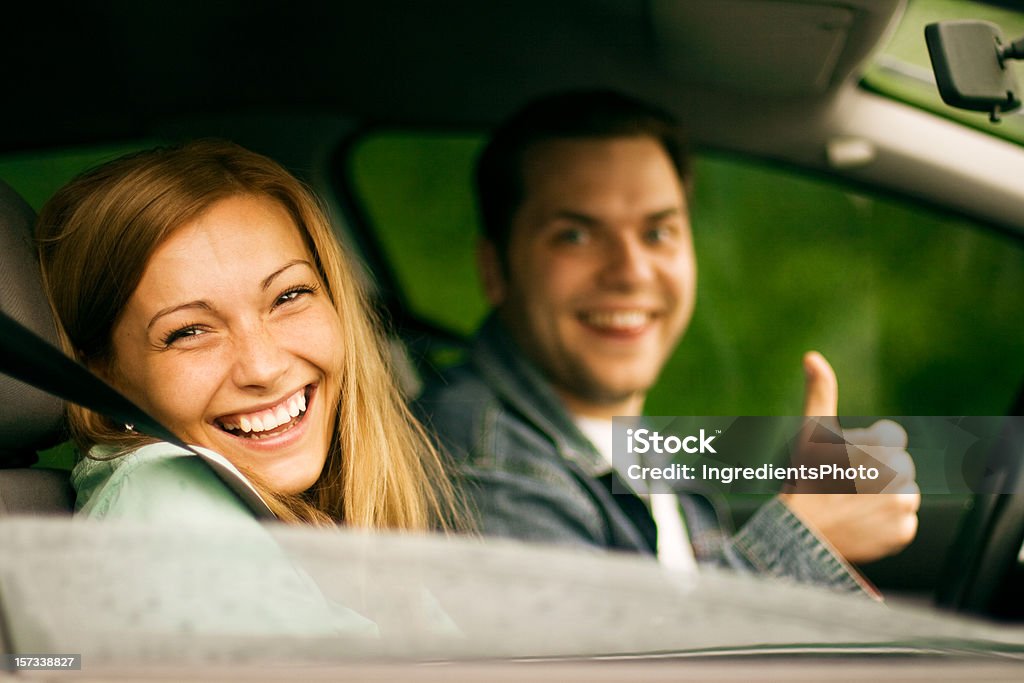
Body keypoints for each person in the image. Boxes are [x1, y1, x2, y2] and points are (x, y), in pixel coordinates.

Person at [418, 90, 920, 593]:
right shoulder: (476, 464)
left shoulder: (631, 445)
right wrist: (805, 540)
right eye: (575, 235)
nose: (631, 272)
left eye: (658, 233)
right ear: (494, 269)